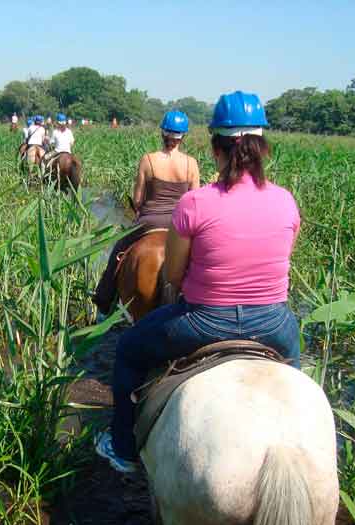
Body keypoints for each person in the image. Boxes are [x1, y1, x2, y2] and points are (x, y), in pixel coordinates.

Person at [93, 91, 302, 474]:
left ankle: (122, 446)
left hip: (206, 320)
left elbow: (172, 276)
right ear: (263, 146)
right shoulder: (287, 201)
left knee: (126, 349)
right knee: (298, 383)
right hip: (274, 322)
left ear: (215, 147)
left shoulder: (196, 204)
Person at [92, 110, 199, 314]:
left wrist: (141, 207)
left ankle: (104, 299)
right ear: (183, 137)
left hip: (149, 222)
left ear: (162, 133)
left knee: (119, 249)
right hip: (179, 225)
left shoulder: (148, 160)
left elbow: (138, 199)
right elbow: (194, 202)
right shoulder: (191, 164)